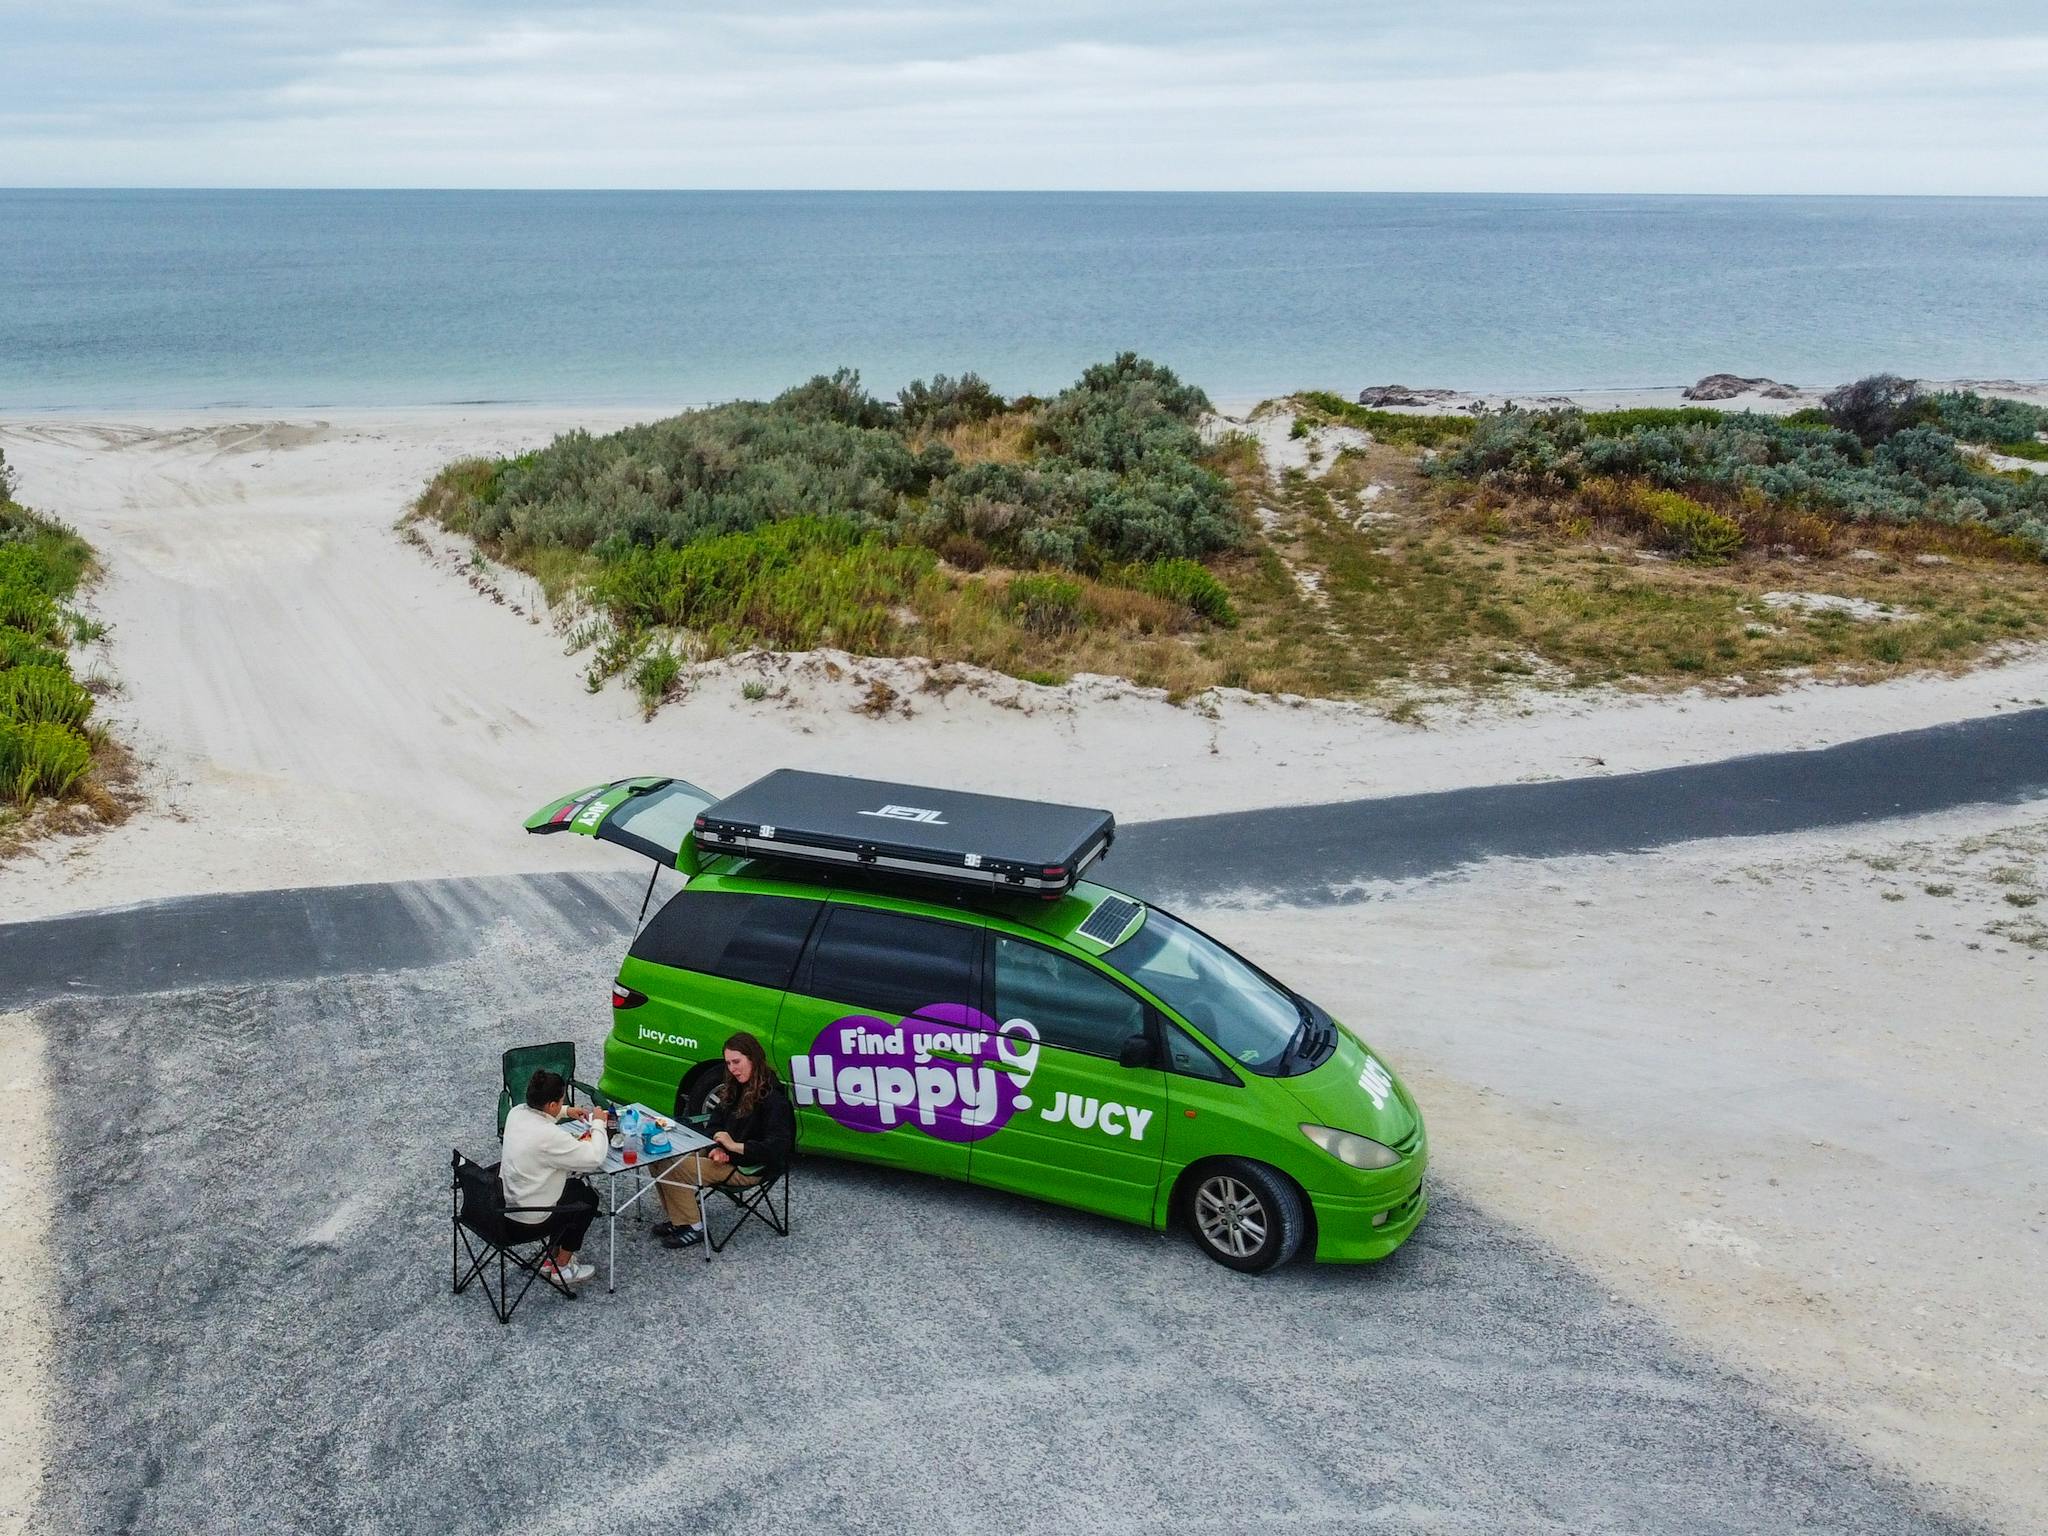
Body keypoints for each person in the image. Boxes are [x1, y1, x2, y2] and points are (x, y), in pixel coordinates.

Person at [649, 1032, 794, 1250]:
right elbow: (715, 1123)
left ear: (753, 1058)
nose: (733, 1069)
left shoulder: (774, 1100)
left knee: (673, 1166)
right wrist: (716, 1146)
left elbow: (778, 1148)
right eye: (729, 1063)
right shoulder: (735, 1087)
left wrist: (735, 1147)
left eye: (737, 1062)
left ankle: (693, 1227)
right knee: (659, 1155)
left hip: (749, 1167)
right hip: (725, 1157)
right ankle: (679, 1218)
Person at [500, 1068, 609, 1286]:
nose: (561, 1104)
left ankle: (550, 1259)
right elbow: (594, 1157)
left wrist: (566, 1111)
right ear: (551, 1104)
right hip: (530, 1219)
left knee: (575, 1188)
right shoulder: (549, 1136)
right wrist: (598, 1123)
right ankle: (563, 1268)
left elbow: (542, 1115)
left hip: (507, 1206)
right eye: (560, 1101)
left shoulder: (516, 1113)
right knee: (588, 1201)